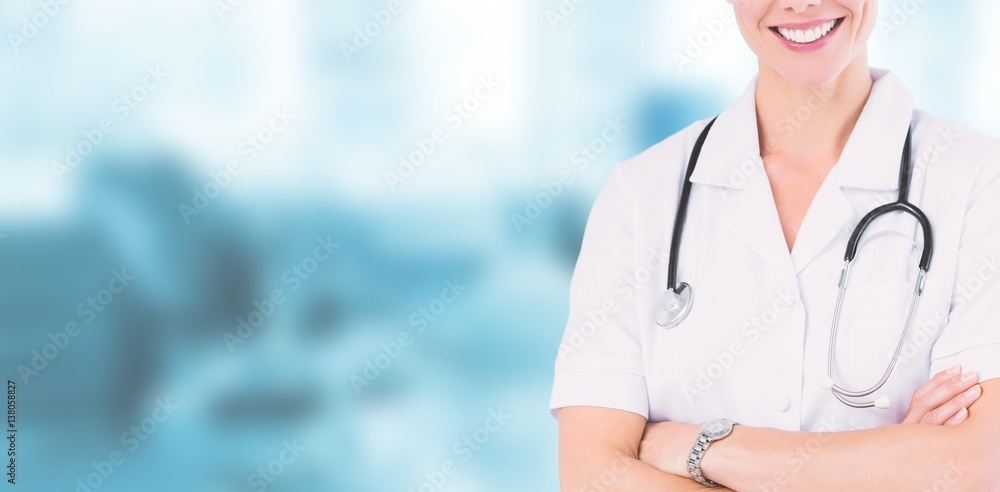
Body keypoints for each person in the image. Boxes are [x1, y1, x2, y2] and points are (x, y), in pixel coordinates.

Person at [550, 1, 1000, 490]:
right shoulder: (640, 196)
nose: (802, 4)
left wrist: (702, 448)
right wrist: (892, 465)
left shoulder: (978, 181)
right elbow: (591, 475)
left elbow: (981, 461)